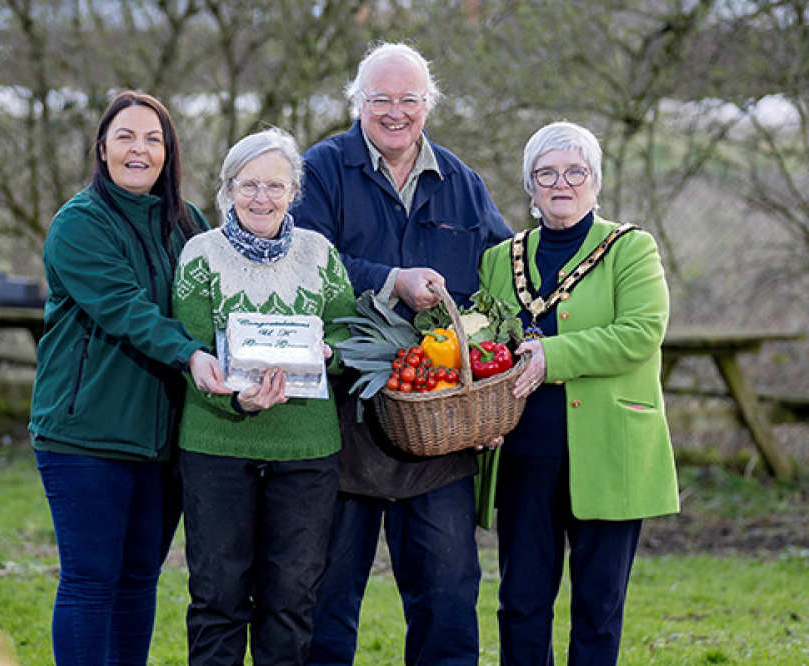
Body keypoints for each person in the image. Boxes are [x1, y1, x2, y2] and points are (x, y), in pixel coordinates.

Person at [291, 43, 514, 665]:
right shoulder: (322, 170)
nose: (395, 112)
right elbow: (303, 262)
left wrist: (499, 380)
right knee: (324, 604)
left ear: (428, 105)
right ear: (356, 103)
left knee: (446, 604)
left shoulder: (462, 184)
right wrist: (391, 280)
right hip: (339, 425)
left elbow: (499, 285)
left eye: (409, 100)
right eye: (379, 99)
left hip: (437, 431)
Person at [28, 91, 229, 666]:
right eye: (126, 137)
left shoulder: (187, 222)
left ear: (167, 153)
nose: (139, 149)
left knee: (139, 581)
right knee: (91, 582)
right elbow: (127, 309)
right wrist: (193, 357)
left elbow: (217, 300)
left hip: (163, 440)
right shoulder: (78, 225)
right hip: (87, 436)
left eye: (153, 139)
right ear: (102, 149)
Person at [478, 120, 680, 665]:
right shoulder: (501, 259)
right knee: (521, 602)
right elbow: (483, 344)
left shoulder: (631, 249)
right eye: (546, 173)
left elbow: (640, 333)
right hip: (524, 453)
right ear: (530, 186)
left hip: (609, 450)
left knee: (598, 605)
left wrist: (553, 357)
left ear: (596, 182)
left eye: (575, 172)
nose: (560, 184)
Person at [172, 127, 358, 665]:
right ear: (227, 190)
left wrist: (328, 355)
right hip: (217, 447)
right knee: (217, 599)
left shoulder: (318, 255)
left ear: (294, 190)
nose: (261, 198)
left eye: (275, 186)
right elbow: (191, 354)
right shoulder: (200, 255)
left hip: (305, 451)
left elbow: (349, 337)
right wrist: (234, 400)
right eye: (248, 185)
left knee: (291, 601)